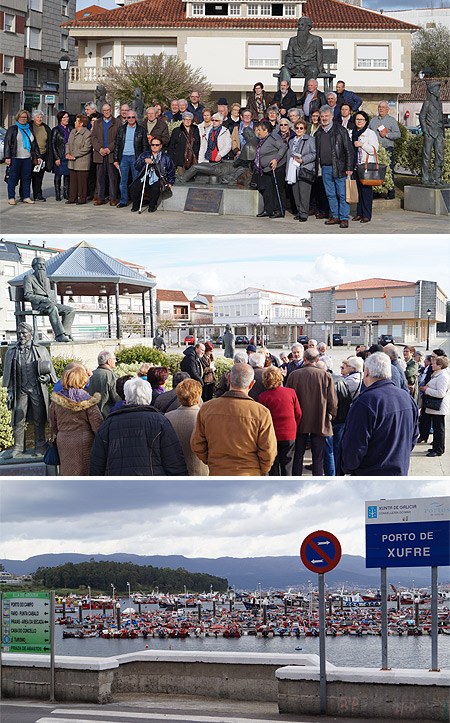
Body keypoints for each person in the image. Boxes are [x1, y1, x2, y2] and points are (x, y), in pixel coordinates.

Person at [89, 377, 188, 476]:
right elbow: (174, 461)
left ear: (126, 399)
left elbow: (96, 464)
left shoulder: (109, 424)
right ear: (149, 398)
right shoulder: (160, 422)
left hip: (117, 483)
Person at [191, 363, 277, 476]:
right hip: (250, 474)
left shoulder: (207, 408)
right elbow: (268, 451)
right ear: (252, 384)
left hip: (217, 472)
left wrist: (213, 461)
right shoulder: (261, 412)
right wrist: (261, 469)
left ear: (229, 379)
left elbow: (196, 444)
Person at [340, 352, 418, 475]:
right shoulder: (407, 397)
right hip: (399, 471)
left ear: (367, 373)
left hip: (370, 476)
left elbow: (355, 445)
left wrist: (348, 468)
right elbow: (413, 437)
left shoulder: (365, 401)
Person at [1, 322, 57, 458]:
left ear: (31, 334)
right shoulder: (11, 352)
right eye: (19, 333)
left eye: (24, 333)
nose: (21, 335)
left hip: (36, 389)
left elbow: (50, 373)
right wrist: (9, 391)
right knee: (18, 419)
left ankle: (39, 446)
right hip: (20, 390)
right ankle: (18, 448)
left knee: (39, 419)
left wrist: (47, 378)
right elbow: (8, 375)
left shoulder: (41, 350)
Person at [286, 347, 338, 475]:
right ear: (317, 360)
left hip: (299, 421)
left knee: (298, 455)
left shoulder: (294, 375)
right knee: (318, 457)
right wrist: (331, 416)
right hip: (319, 420)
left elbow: (288, 399)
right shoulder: (325, 376)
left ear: (304, 358)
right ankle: (317, 480)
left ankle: (296, 479)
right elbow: (333, 401)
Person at [49, 365, 103, 476]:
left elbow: (52, 424)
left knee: (67, 471)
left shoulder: (56, 400)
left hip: (63, 440)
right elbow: (97, 425)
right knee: (85, 472)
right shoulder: (88, 400)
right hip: (85, 440)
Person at [259, 366, 302, 476]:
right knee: (287, 463)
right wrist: (294, 426)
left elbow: (263, 418)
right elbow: (298, 413)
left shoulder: (263, 397)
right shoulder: (291, 392)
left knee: (273, 463)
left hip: (272, 434)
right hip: (289, 433)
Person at [316, 104, 353, 228]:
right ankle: (335, 216)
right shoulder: (319, 132)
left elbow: (349, 149)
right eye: (322, 116)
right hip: (325, 168)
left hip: (340, 167)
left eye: (327, 116)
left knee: (342, 194)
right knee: (330, 194)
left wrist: (349, 167)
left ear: (332, 116)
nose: (324, 118)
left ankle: (344, 218)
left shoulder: (340, 130)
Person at [23, 257, 75, 342]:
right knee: (53, 308)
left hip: (49, 303)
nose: (41, 267)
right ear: (34, 267)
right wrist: (42, 299)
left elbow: (48, 294)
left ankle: (66, 333)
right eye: (39, 265)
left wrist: (50, 300)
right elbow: (28, 295)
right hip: (39, 305)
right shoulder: (29, 278)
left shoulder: (46, 280)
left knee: (70, 310)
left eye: (43, 265)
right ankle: (59, 335)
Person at [166, 379, 209, 476]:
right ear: (199, 396)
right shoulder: (206, 418)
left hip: (174, 473)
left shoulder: (167, 417)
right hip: (201, 471)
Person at [4, 109, 41, 206]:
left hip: (27, 158)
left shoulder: (29, 129)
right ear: (18, 118)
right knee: (13, 178)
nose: (23, 119)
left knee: (26, 178)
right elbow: (8, 143)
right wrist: (7, 157)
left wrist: (38, 156)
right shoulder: (13, 129)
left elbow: (34, 144)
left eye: (25, 117)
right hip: (15, 157)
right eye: (22, 117)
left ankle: (26, 197)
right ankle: (11, 197)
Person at [114, 109, 149, 208]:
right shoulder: (121, 129)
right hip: (124, 158)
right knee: (123, 181)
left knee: (136, 181)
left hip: (135, 158)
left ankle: (136, 202)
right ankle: (123, 201)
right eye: (129, 117)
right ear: (126, 118)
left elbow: (145, 146)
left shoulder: (141, 130)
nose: (131, 119)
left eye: (133, 117)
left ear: (136, 118)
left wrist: (143, 159)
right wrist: (116, 159)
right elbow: (117, 145)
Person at [130, 137, 175, 213]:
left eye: (157, 145)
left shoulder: (166, 157)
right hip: (145, 176)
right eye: (153, 144)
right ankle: (136, 205)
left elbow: (171, 170)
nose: (154, 146)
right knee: (134, 187)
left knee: (155, 189)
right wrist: (144, 161)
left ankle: (152, 206)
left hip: (158, 177)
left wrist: (170, 182)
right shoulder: (145, 154)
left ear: (161, 146)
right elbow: (137, 166)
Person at [253, 120, 287, 219]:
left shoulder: (273, 137)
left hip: (276, 167)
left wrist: (276, 159)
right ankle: (268, 209)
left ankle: (279, 210)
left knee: (278, 190)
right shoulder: (263, 140)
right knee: (268, 190)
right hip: (266, 169)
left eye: (259, 130)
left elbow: (283, 147)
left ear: (266, 130)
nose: (258, 132)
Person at [279, 17, 323, 92]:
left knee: (313, 71)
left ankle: (306, 96)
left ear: (308, 27)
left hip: (309, 66)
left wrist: (320, 68)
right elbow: (289, 55)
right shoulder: (292, 40)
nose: (299, 27)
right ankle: (286, 96)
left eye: (302, 25)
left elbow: (319, 55)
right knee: (284, 70)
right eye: (298, 25)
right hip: (295, 66)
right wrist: (290, 64)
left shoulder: (316, 39)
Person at [368, 101, 400, 199]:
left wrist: (387, 135)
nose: (381, 109)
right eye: (379, 107)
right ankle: (377, 192)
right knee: (376, 171)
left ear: (387, 109)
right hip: (375, 151)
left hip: (387, 150)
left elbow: (398, 134)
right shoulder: (373, 121)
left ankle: (391, 192)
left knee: (388, 171)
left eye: (383, 107)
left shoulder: (392, 120)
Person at [90, 102, 121, 206]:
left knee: (113, 178)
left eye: (108, 110)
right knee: (100, 177)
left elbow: (119, 138)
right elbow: (93, 137)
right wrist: (100, 149)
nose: (106, 112)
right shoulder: (98, 122)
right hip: (100, 154)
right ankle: (101, 198)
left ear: (111, 110)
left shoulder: (117, 122)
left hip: (111, 154)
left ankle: (112, 198)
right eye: (104, 111)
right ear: (102, 111)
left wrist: (109, 148)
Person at [351, 110, 379, 223]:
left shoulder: (370, 133)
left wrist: (362, 144)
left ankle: (366, 214)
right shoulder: (351, 133)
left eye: (361, 119)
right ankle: (359, 213)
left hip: (366, 166)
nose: (359, 121)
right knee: (358, 191)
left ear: (366, 121)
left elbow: (374, 149)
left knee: (366, 191)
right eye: (357, 119)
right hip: (355, 166)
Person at [286, 119, 316, 222]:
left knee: (304, 193)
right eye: (297, 128)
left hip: (304, 168)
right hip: (293, 168)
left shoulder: (310, 139)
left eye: (301, 128)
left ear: (305, 129)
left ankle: (304, 213)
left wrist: (303, 160)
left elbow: (314, 154)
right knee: (296, 193)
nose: (299, 130)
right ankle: (299, 212)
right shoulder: (291, 140)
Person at [419, 356, 450, 457]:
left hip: (439, 407)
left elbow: (441, 393)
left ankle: (438, 449)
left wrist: (426, 390)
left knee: (439, 428)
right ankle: (436, 446)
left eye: (434, 363)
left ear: (440, 365)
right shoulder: (437, 374)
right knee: (437, 428)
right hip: (434, 407)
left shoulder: (443, 376)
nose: (431, 365)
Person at [419, 81, 445, 186]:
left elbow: (441, 118)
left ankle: (436, 177)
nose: (439, 92)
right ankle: (425, 178)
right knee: (427, 156)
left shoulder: (439, 103)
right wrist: (425, 130)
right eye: (437, 89)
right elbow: (422, 117)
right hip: (429, 132)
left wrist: (442, 131)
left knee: (440, 155)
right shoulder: (427, 103)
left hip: (438, 132)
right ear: (432, 91)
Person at [65, 114, 92, 205]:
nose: (75, 122)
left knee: (82, 182)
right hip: (72, 161)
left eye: (76, 121)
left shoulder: (87, 133)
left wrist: (74, 155)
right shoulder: (73, 131)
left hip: (82, 161)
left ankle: (82, 198)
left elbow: (87, 147)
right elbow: (68, 143)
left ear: (81, 123)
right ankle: (72, 197)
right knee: (73, 181)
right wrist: (68, 153)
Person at [87, 350, 120, 418]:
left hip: (91, 415)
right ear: (109, 361)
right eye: (114, 359)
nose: (116, 361)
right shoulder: (112, 376)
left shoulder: (90, 375)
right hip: (107, 415)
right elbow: (117, 398)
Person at [30, 110, 53, 202]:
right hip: (31, 155)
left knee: (39, 176)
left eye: (41, 117)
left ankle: (38, 194)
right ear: (33, 118)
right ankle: (24, 194)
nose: (40, 119)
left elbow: (49, 143)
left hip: (43, 155)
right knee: (27, 176)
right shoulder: (29, 127)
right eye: (37, 117)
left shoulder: (46, 128)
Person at [51, 110, 71, 201]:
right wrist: (56, 158)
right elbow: (53, 145)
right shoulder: (56, 130)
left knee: (67, 175)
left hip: (67, 155)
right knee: (58, 175)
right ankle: (58, 193)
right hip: (59, 155)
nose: (67, 119)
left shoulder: (70, 129)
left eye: (67, 117)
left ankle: (66, 193)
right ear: (60, 119)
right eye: (65, 117)